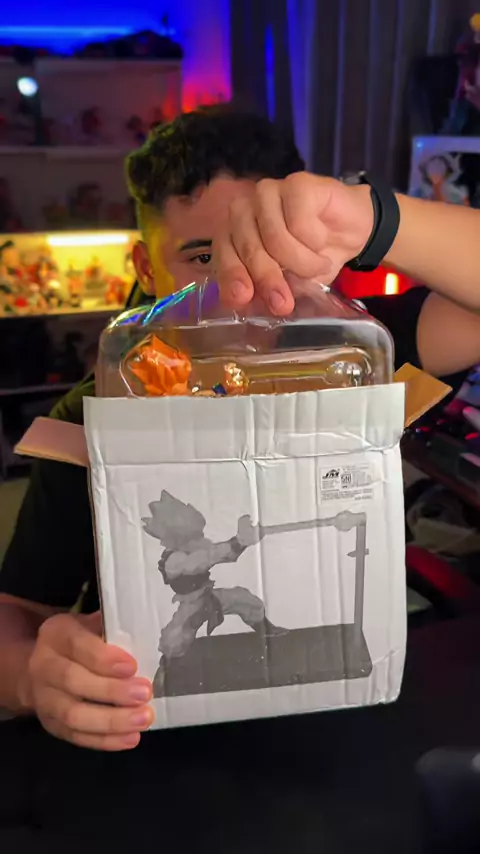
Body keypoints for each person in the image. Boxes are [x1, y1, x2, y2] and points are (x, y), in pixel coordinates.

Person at [1, 106, 480, 753]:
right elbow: (17, 609)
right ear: (147, 268)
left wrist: (373, 219)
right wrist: (32, 676)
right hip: (159, 739)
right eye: (203, 256)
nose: (239, 286)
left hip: (342, 723)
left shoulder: (354, 355)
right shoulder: (101, 413)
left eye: (267, 250)